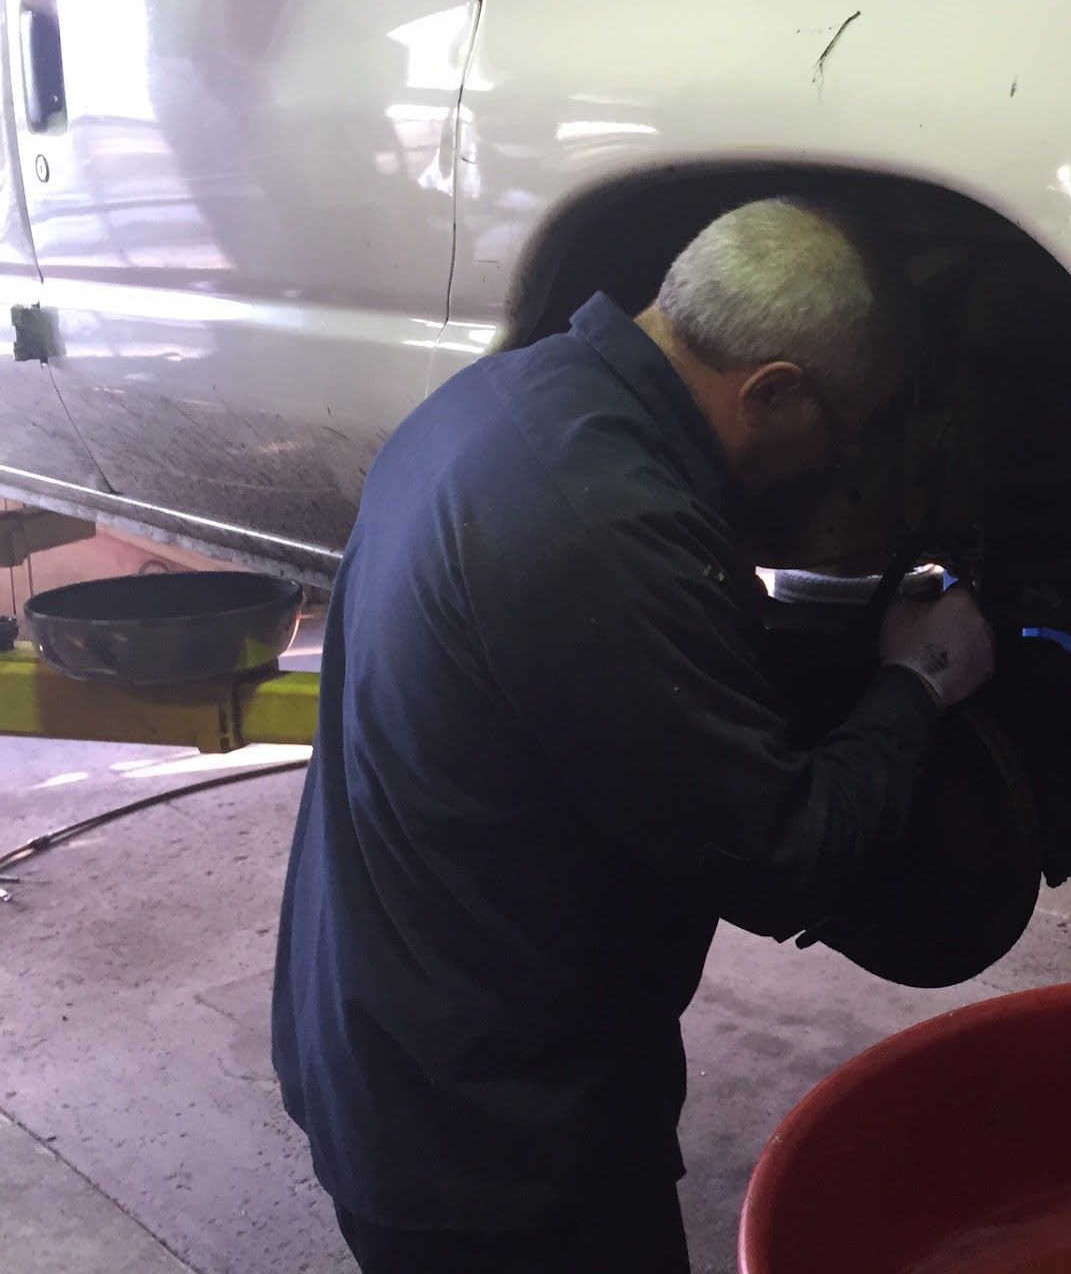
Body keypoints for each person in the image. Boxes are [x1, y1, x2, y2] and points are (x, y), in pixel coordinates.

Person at [271, 199, 995, 1272]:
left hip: (398, 1030)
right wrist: (917, 683)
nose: (837, 464)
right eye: (846, 431)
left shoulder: (505, 397)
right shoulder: (603, 528)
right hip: (489, 1144)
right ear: (776, 389)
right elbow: (784, 859)